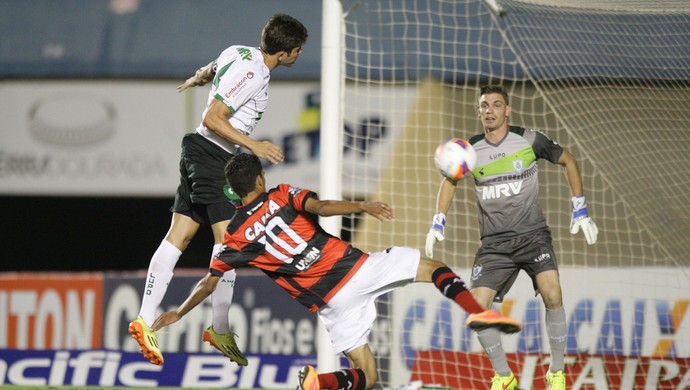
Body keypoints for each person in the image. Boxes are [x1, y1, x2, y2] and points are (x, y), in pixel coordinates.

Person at [151, 153, 523, 390]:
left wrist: (178, 313)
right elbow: (323, 206)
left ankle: (319, 382)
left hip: (330, 303)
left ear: (234, 192)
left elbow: (209, 282)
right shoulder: (280, 194)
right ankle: (477, 311)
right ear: (259, 181)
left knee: (367, 377)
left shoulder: (233, 238)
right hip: (356, 269)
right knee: (433, 267)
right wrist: (363, 206)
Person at [127, 13, 309, 367]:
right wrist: (254, 146)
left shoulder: (238, 52)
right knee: (231, 244)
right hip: (212, 155)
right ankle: (218, 329)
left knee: (178, 237)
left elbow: (212, 68)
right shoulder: (255, 74)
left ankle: (146, 320)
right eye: (298, 51)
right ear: (285, 52)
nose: (299, 55)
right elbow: (214, 117)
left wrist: (197, 78)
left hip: (199, 151)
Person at [425, 85, 598, 390]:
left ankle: (557, 372)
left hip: (533, 238)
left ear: (508, 110)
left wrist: (579, 209)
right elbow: (449, 182)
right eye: (483, 106)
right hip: (494, 246)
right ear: (479, 111)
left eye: (495, 105)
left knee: (553, 293)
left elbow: (568, 160)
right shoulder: (469, 150)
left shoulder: (529, 140)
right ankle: (504, 377)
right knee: (476, 309)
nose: (489, 110)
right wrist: (438, 221)